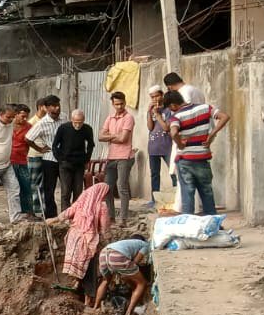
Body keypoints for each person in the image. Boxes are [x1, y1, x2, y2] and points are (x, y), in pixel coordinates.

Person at [165, 90, 231, 216]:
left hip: (185, 160)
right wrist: (212, 134)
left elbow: (173, 133)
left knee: (187, 194)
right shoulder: (205, 108)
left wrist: (180, 144)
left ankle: (188, 222)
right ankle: (212, 221)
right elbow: (225, 117)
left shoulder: (176, 116)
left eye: (170, 108)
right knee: (207, 193)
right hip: (202, 158)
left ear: (173, 105)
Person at [49, 182, 111, 294]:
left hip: (73, 236)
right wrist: (108, 240)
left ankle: (76, 282)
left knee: (76, 263)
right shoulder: (102, 206)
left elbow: (68, 212)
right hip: (87, 239)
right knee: (88, 265)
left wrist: (54, 219)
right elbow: (104, 227)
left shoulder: (82, 200)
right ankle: (86, 291)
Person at [94, 238, 152, 315]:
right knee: (142, 283)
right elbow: (135, 262)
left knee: (105, 281)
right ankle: (128, 314)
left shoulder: (129, 243)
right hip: (117, 256)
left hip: (104, 253)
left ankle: (95, 308)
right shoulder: (145, 245)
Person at [101, 91, 137, 225]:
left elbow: (124, 139)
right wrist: (115, 136)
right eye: (116, 104)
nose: (119, 106)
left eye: (121, 104)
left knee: (122, 187)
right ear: (113, 104)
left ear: (125, 102)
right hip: (111, 157)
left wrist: (109, 136)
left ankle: (123, 219)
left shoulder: (129, 117)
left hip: (125, 156)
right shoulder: (110, 117)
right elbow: (100, 136)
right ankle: (111, 217)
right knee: (107, 188)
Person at [53, 109, 95, 211]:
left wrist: (86, 159)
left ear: (84, 120)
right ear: (71, 119)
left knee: (78, 191)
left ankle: (76, 214)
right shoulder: (63, 128)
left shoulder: (87, 129)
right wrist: (60, 159)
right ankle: (65, 214)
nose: (78, 125)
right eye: (75, 122)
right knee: (65, 191)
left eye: (80, 122)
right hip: (65, 163)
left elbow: (91, 145)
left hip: (79, 164)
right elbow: (55, 145)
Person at [27, 95, 62, 218]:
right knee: (49, 189)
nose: (57, 108)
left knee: (67, 188)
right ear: (47, 108)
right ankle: (51, 215)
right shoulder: (41, 124)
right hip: (49, 159)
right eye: (53, 106)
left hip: (64, 159)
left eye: (58, 105)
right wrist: (40, 149)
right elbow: (28, 138)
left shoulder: (64, 118)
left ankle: (67, 213)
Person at [145, 85, 175, 209]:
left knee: (173, 173)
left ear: (162, 95)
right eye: (152, 97)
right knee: (154, 174)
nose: (155, 99)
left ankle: (177, 197)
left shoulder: (168, 110)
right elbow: (150, 127)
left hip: (167, 146)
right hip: (153, 147)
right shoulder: (152, 109)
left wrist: (157, 115)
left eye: (157, 96)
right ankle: (154, 199)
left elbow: (166, 128)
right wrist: (149, 112)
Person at [10, 104, 37, 218]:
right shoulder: (8, 125)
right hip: (8, 161)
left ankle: (29, 211)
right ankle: (16, 213)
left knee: (26, 186)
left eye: (26, 117)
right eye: (23, 116)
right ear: (16, 115)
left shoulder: (29, 127)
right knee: (13, 189)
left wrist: (39, 149)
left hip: (22, 161)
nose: (25, 119)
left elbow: (31, 141)